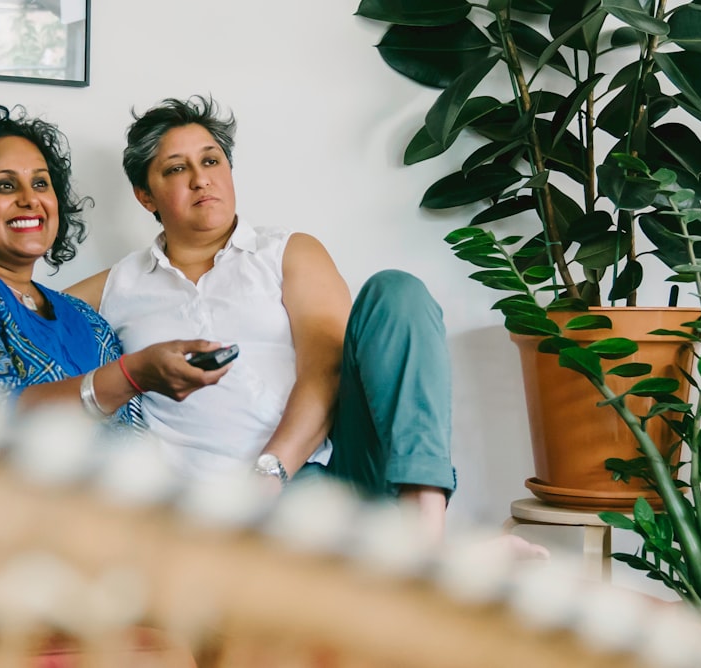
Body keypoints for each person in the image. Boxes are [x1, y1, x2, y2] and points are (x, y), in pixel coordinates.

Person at [66, 95, 456, 544]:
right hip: (200, 504)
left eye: (211, 160)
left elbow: (326, 369)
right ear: (144, 195)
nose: (200, 179)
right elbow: (23, 321)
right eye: (176, 168)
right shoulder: (116, 286)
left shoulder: (287, 251)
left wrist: (267, 476)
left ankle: (426, 531)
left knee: (397, 290)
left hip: (328, 468)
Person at [0, 103, 231, 425]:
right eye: (4, 185)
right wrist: (131, 375)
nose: (30, 199)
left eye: (40, 183)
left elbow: (130, 432)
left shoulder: (89, 321)